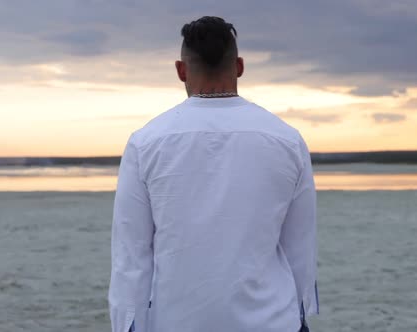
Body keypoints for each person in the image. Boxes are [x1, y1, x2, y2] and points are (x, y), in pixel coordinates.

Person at [109, 16, 319, 332]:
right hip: (272, 321)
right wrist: (301, 312)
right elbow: (299, 247)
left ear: (181, 70)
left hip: (175, 321)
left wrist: (126, 325)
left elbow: (131, 255)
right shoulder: (286, 139)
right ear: (239, 66)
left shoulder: (146, 141)